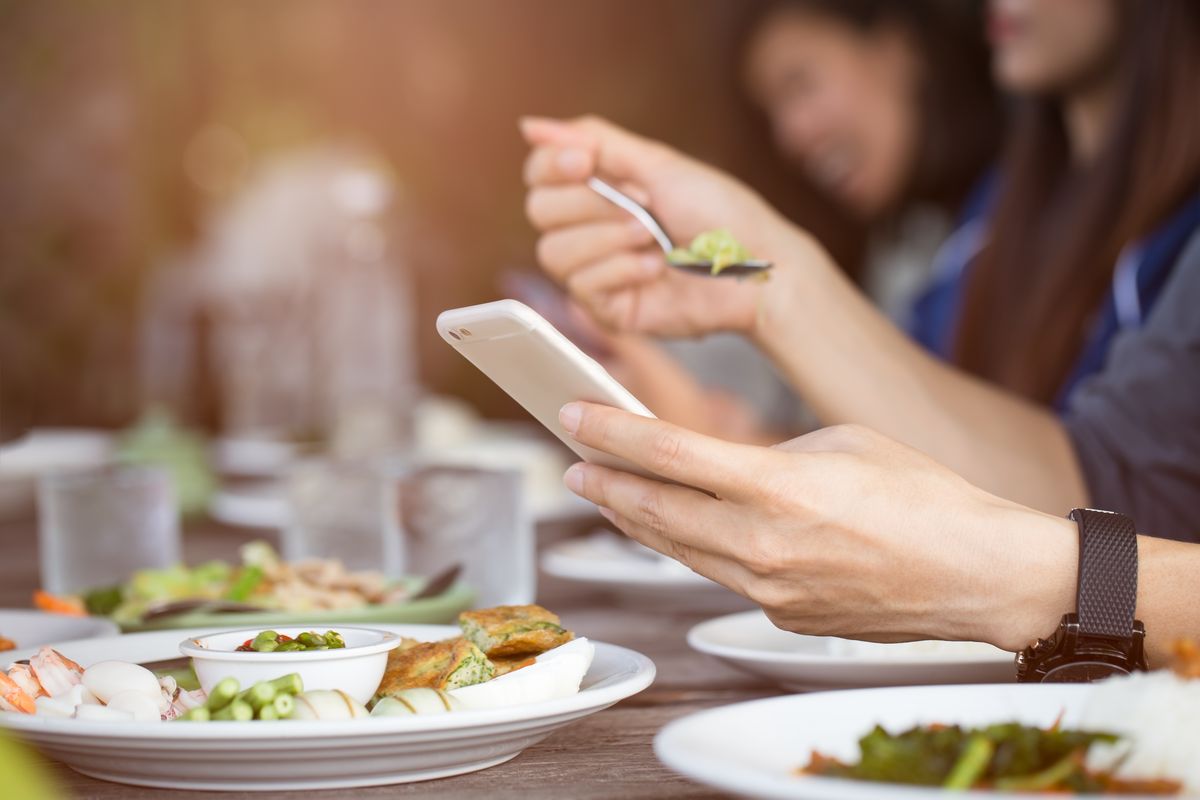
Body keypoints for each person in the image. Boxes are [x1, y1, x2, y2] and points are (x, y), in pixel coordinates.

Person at [519, 0, 1200, 540]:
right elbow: (978, 476)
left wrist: (766, 301)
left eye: (802, 82)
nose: (792, 134)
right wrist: (717, 425)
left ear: (898, 45)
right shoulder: (992, 230)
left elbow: (1106, 500)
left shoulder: (1010, 231)